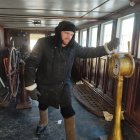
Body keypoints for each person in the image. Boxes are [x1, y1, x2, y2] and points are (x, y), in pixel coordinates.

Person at [24, 21, 119, 139]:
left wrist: (107, 48)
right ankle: (43, 122)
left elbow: (88, 51)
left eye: (71, 34)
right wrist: (30, 85)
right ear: (59, 32)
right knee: (43, 105)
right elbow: (31, 63)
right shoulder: (43, 43)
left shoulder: (73, 45)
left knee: (68, 110)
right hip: (44, 83)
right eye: (66, 33)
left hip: (64, 84)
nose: (69, 36)